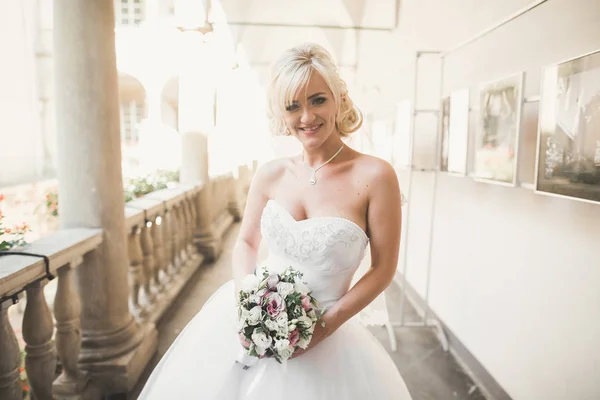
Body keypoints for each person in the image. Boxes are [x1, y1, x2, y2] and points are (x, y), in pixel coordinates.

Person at [139, 42, 412, 399]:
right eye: (292, 106)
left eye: (317, 100)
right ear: (280, 113)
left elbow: (383, 270)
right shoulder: (270, 174)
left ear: (339, 99)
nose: (306, 117)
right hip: (251, 320)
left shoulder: (375, 175)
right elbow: (246, 243)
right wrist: (247, 305)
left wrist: (322, 329)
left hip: (326, 334)